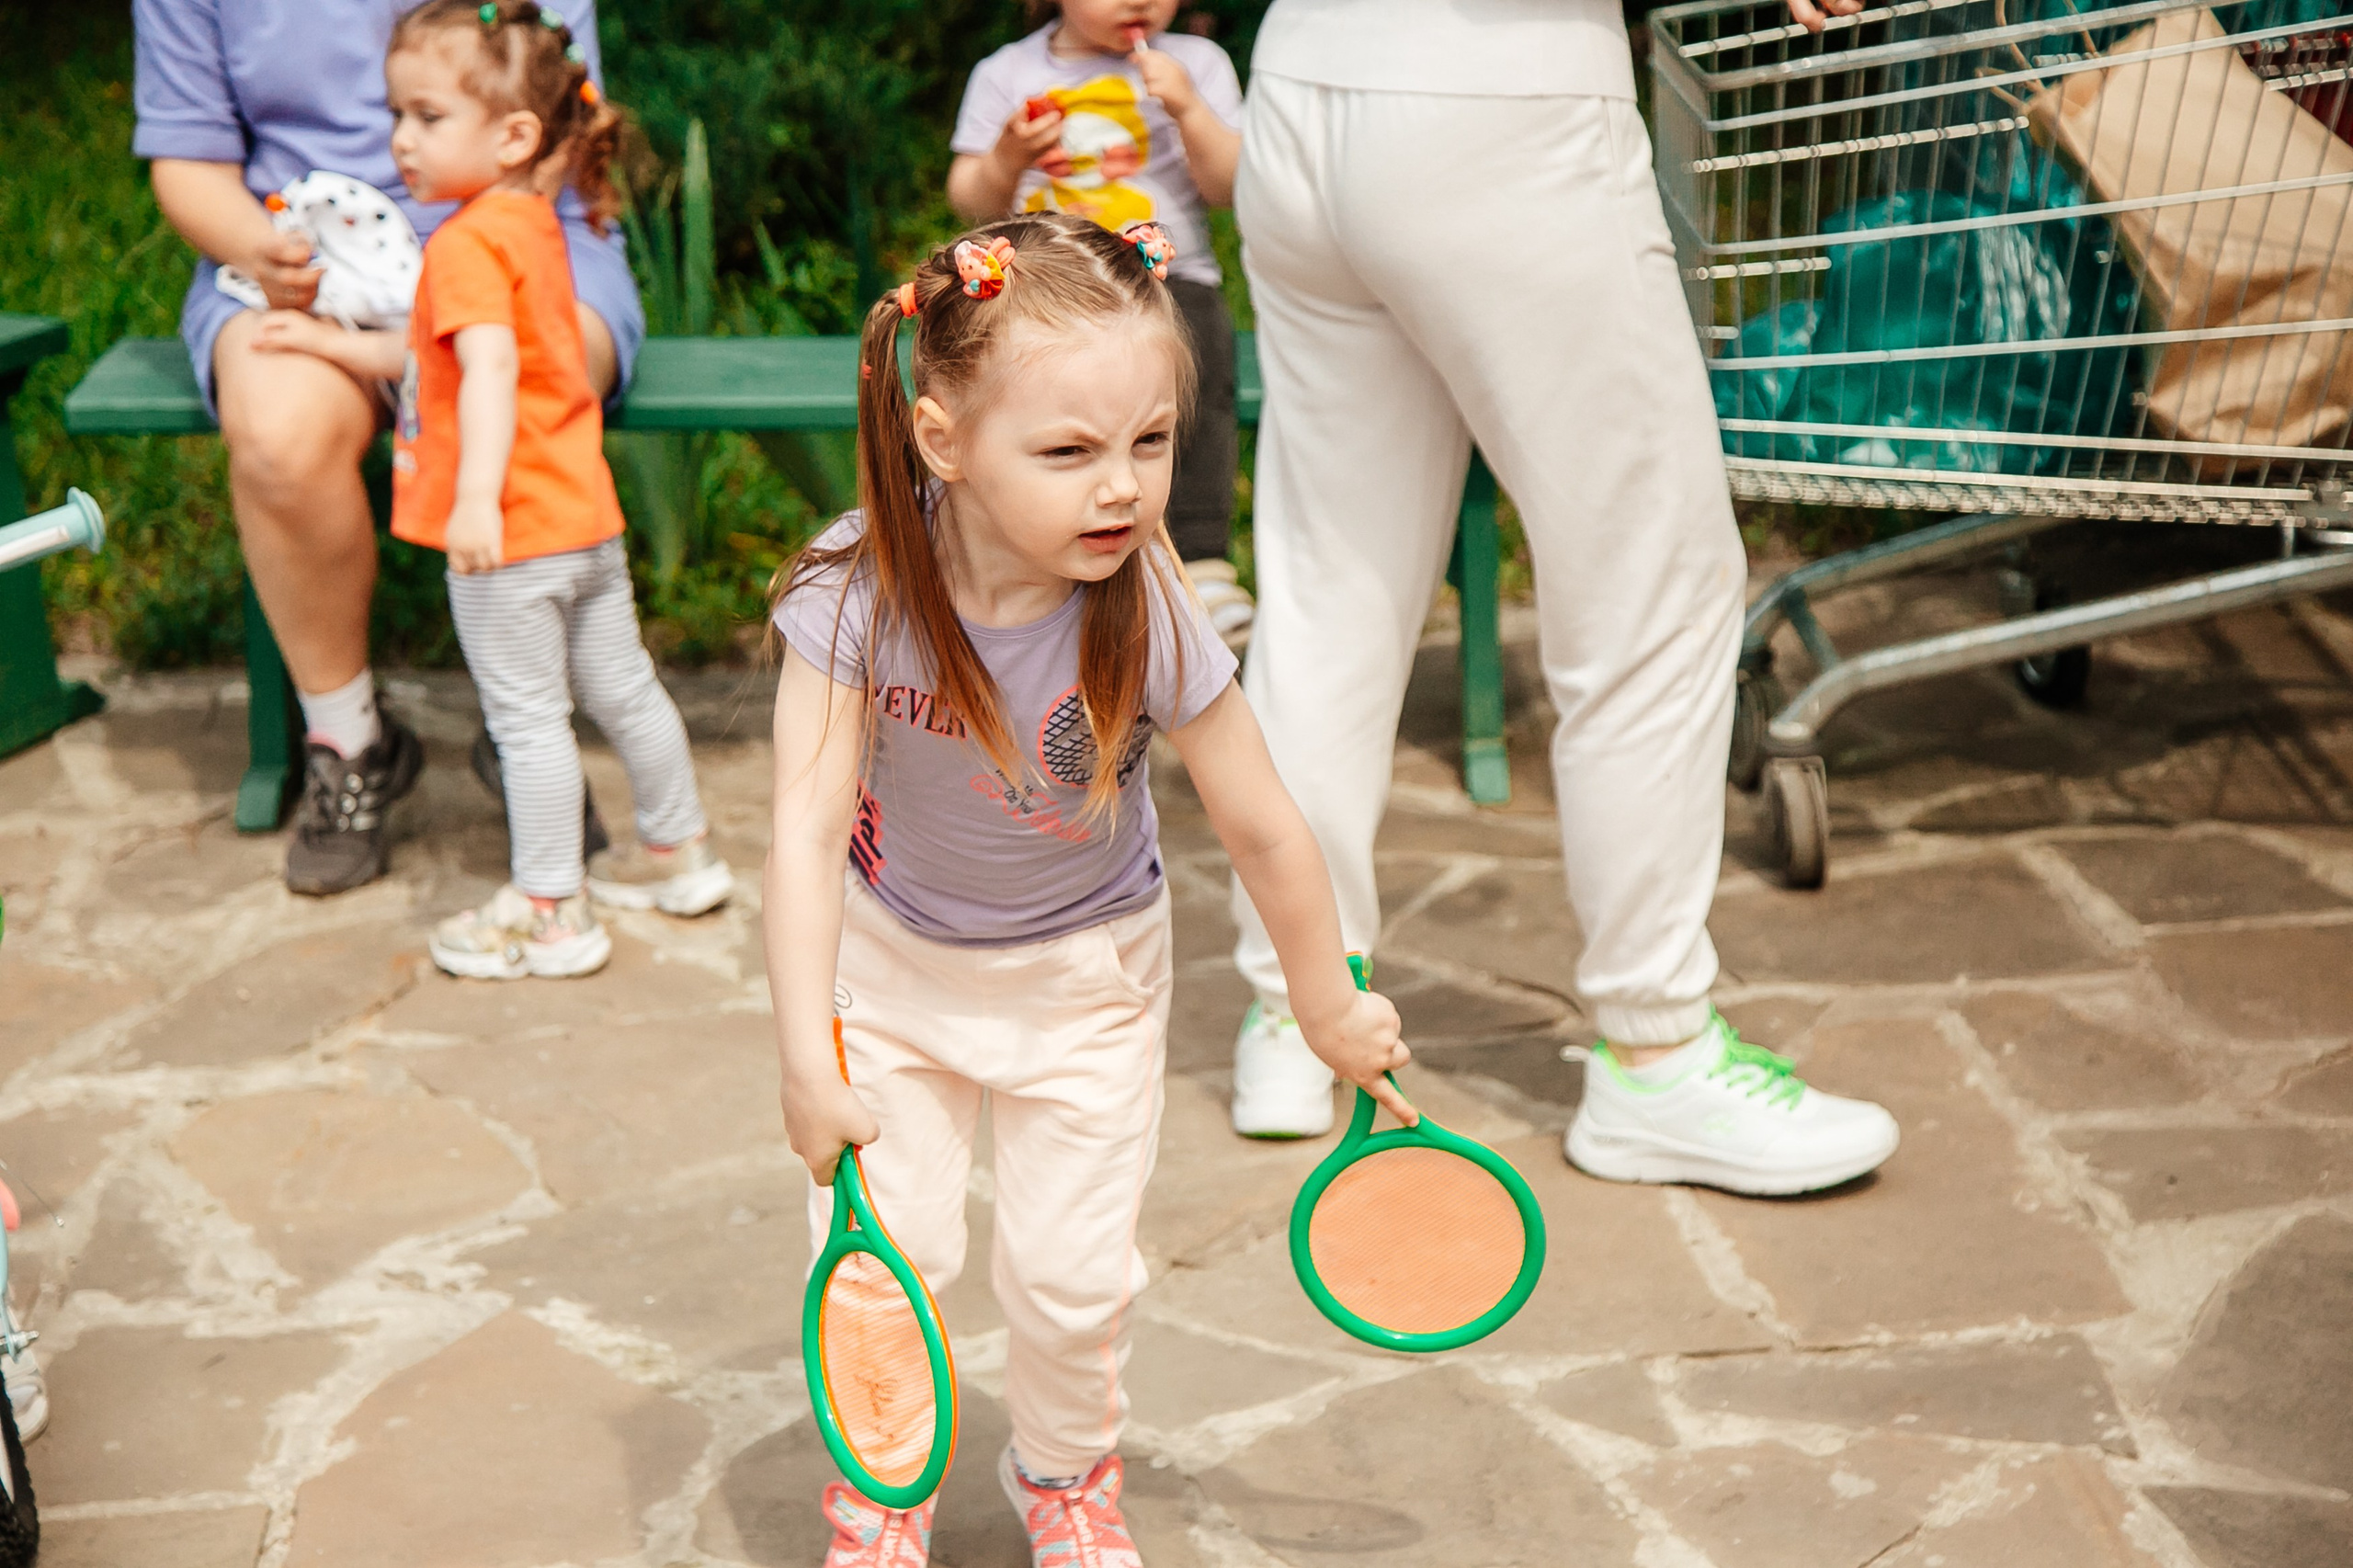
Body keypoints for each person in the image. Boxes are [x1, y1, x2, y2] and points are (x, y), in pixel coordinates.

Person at [765, 212, 1408, 1566]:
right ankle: (882, 1495)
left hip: (1089, 984)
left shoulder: (1147, 601)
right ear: (943, 439)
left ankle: (1065, 1476)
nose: (1121, 487)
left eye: (1152, 442)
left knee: (1070, 1278)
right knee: (886, 1268)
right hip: (893, 975)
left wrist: (1325, 1001)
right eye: (1068, 451)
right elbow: (806, 826)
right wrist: (805, 1056)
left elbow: (1264, 821)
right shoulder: (858, 585)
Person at [1222, 0, 1903, 1196]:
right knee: (1652, 590)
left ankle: (1293, 1014)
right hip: (1503, 97)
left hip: (1301, 85)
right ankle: (1656, 1052)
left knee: (1331, 581)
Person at [132, 0, 645, 896]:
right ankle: (350, 740)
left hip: (514, 221)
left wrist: (469, 285)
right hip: (304, 256)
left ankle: (524, 717)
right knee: (280, 436)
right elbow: (188, 161)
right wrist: (266, 247)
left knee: (518, 381)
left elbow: (564, 122)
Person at [314, 0, 727, 979]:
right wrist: (326, 343)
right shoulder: (533, 225)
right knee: (624, 689)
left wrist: (473, 499)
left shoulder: (460, 243)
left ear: (511, 134)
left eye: (425, 116)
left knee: (528, 720)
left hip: (510, 532)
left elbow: (490, 373)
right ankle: (679, 851)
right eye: (397, 114)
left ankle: (550, 909)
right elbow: (449, 357)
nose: (399, 141)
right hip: (580, 516)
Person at [947, 0, 1254, 648]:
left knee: (1195, 382)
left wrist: (1191, 111)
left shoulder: (1196, 62)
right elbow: (970, 199)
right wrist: (1006, 157)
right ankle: (1026, 548)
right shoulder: (1009, 72)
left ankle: (1199, 561)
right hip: (1044, 288)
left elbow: (1230, 187)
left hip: (1167, 281)